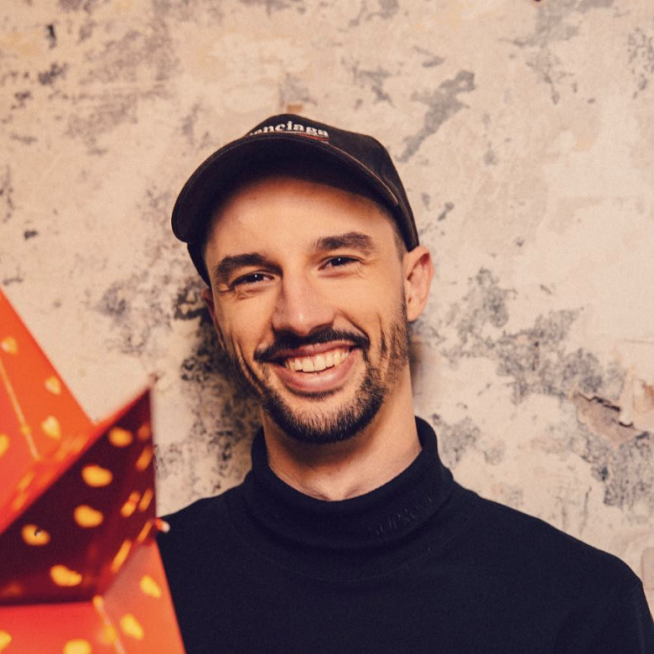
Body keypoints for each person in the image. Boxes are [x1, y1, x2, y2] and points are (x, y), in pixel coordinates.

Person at [158, 114, 654, 654]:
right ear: (217, 316)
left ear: (413, 284)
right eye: (253, 277)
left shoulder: (582, 604)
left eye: (338, 260)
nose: (299, 316)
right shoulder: (138, 591)